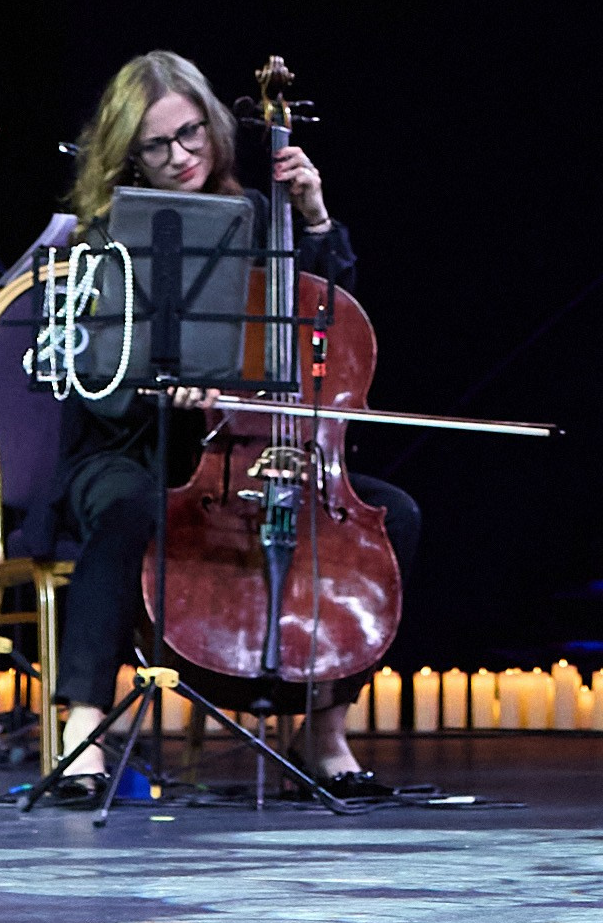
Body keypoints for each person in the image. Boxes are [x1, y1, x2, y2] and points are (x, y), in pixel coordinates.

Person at [50, 51, 420, 801]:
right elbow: (93, 383)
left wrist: (313, 218)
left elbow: (323, 325)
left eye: (191, 135)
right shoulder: (102, 237)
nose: (179, 157)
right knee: (129, 509)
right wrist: (161, 385)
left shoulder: (256, 218)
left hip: (246, 449)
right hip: (130, 443)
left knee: (395, 517)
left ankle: (325, 731)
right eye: (157, 146)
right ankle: (82, 731)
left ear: (215, 128)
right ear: (129, 152)